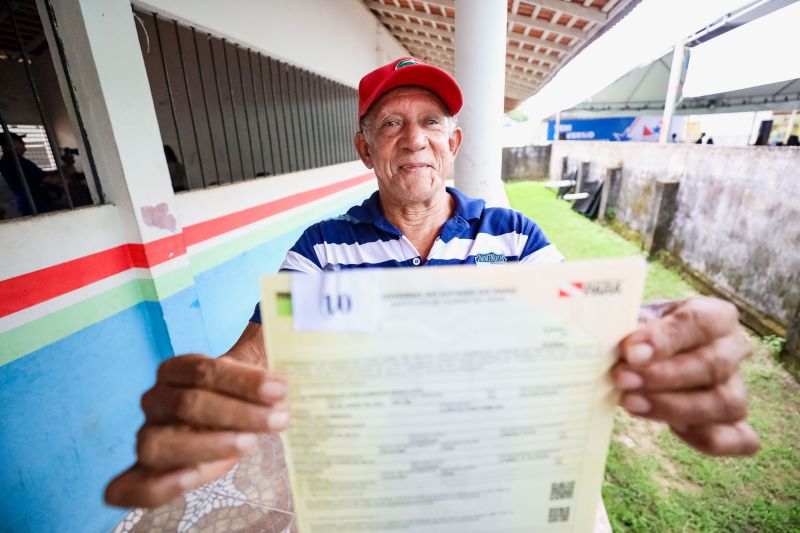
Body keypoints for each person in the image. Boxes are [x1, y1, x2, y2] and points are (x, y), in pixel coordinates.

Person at [105, 57, 760, 509]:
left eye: (431, 122)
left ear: (454, 142)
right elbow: (253, 357)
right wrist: (207, 396)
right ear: (365, 148)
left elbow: (586, 329)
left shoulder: (514, 236)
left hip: (499, 473)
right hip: (372, 483)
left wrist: (659, 340)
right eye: (391, 122)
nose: (413, 138)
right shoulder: (322, 249)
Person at [0, 131, 59, 215]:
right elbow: (49, 180)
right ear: (12, 144)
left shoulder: (5, 161)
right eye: (20, 141)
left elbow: (35, 175)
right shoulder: (18, 162)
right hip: (38, 204)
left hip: (26, 205)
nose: (23, 144)